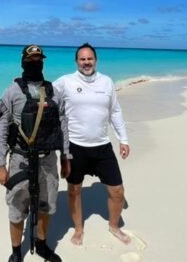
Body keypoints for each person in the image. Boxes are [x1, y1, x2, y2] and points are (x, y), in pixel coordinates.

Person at [0, 44, 71, 262]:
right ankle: (16, 253)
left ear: (43, 62)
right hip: (20, 160)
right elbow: (1, 129)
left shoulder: (55, 92)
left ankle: (42, 243)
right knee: (17, 209)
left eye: (39, 59)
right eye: (31, 59)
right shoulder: (12, 92)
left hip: (48, 160)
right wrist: (0, 164)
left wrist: (66, 158)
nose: (35, 63)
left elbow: (63, 126)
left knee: (47, 206)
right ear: (23, 63)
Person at [54, 42, 131, 245]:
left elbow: (115, 111)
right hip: (75, 147)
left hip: (102, 146)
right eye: (82, 59)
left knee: (117, 191)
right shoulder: (65, 82)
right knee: (74, 190)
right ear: (76, 61)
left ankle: (114, 226)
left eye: (89, 59)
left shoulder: (106, 82)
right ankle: (79, 229)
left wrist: (123, 139)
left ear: (95, 60)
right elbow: (45, 97)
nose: (86, 62)